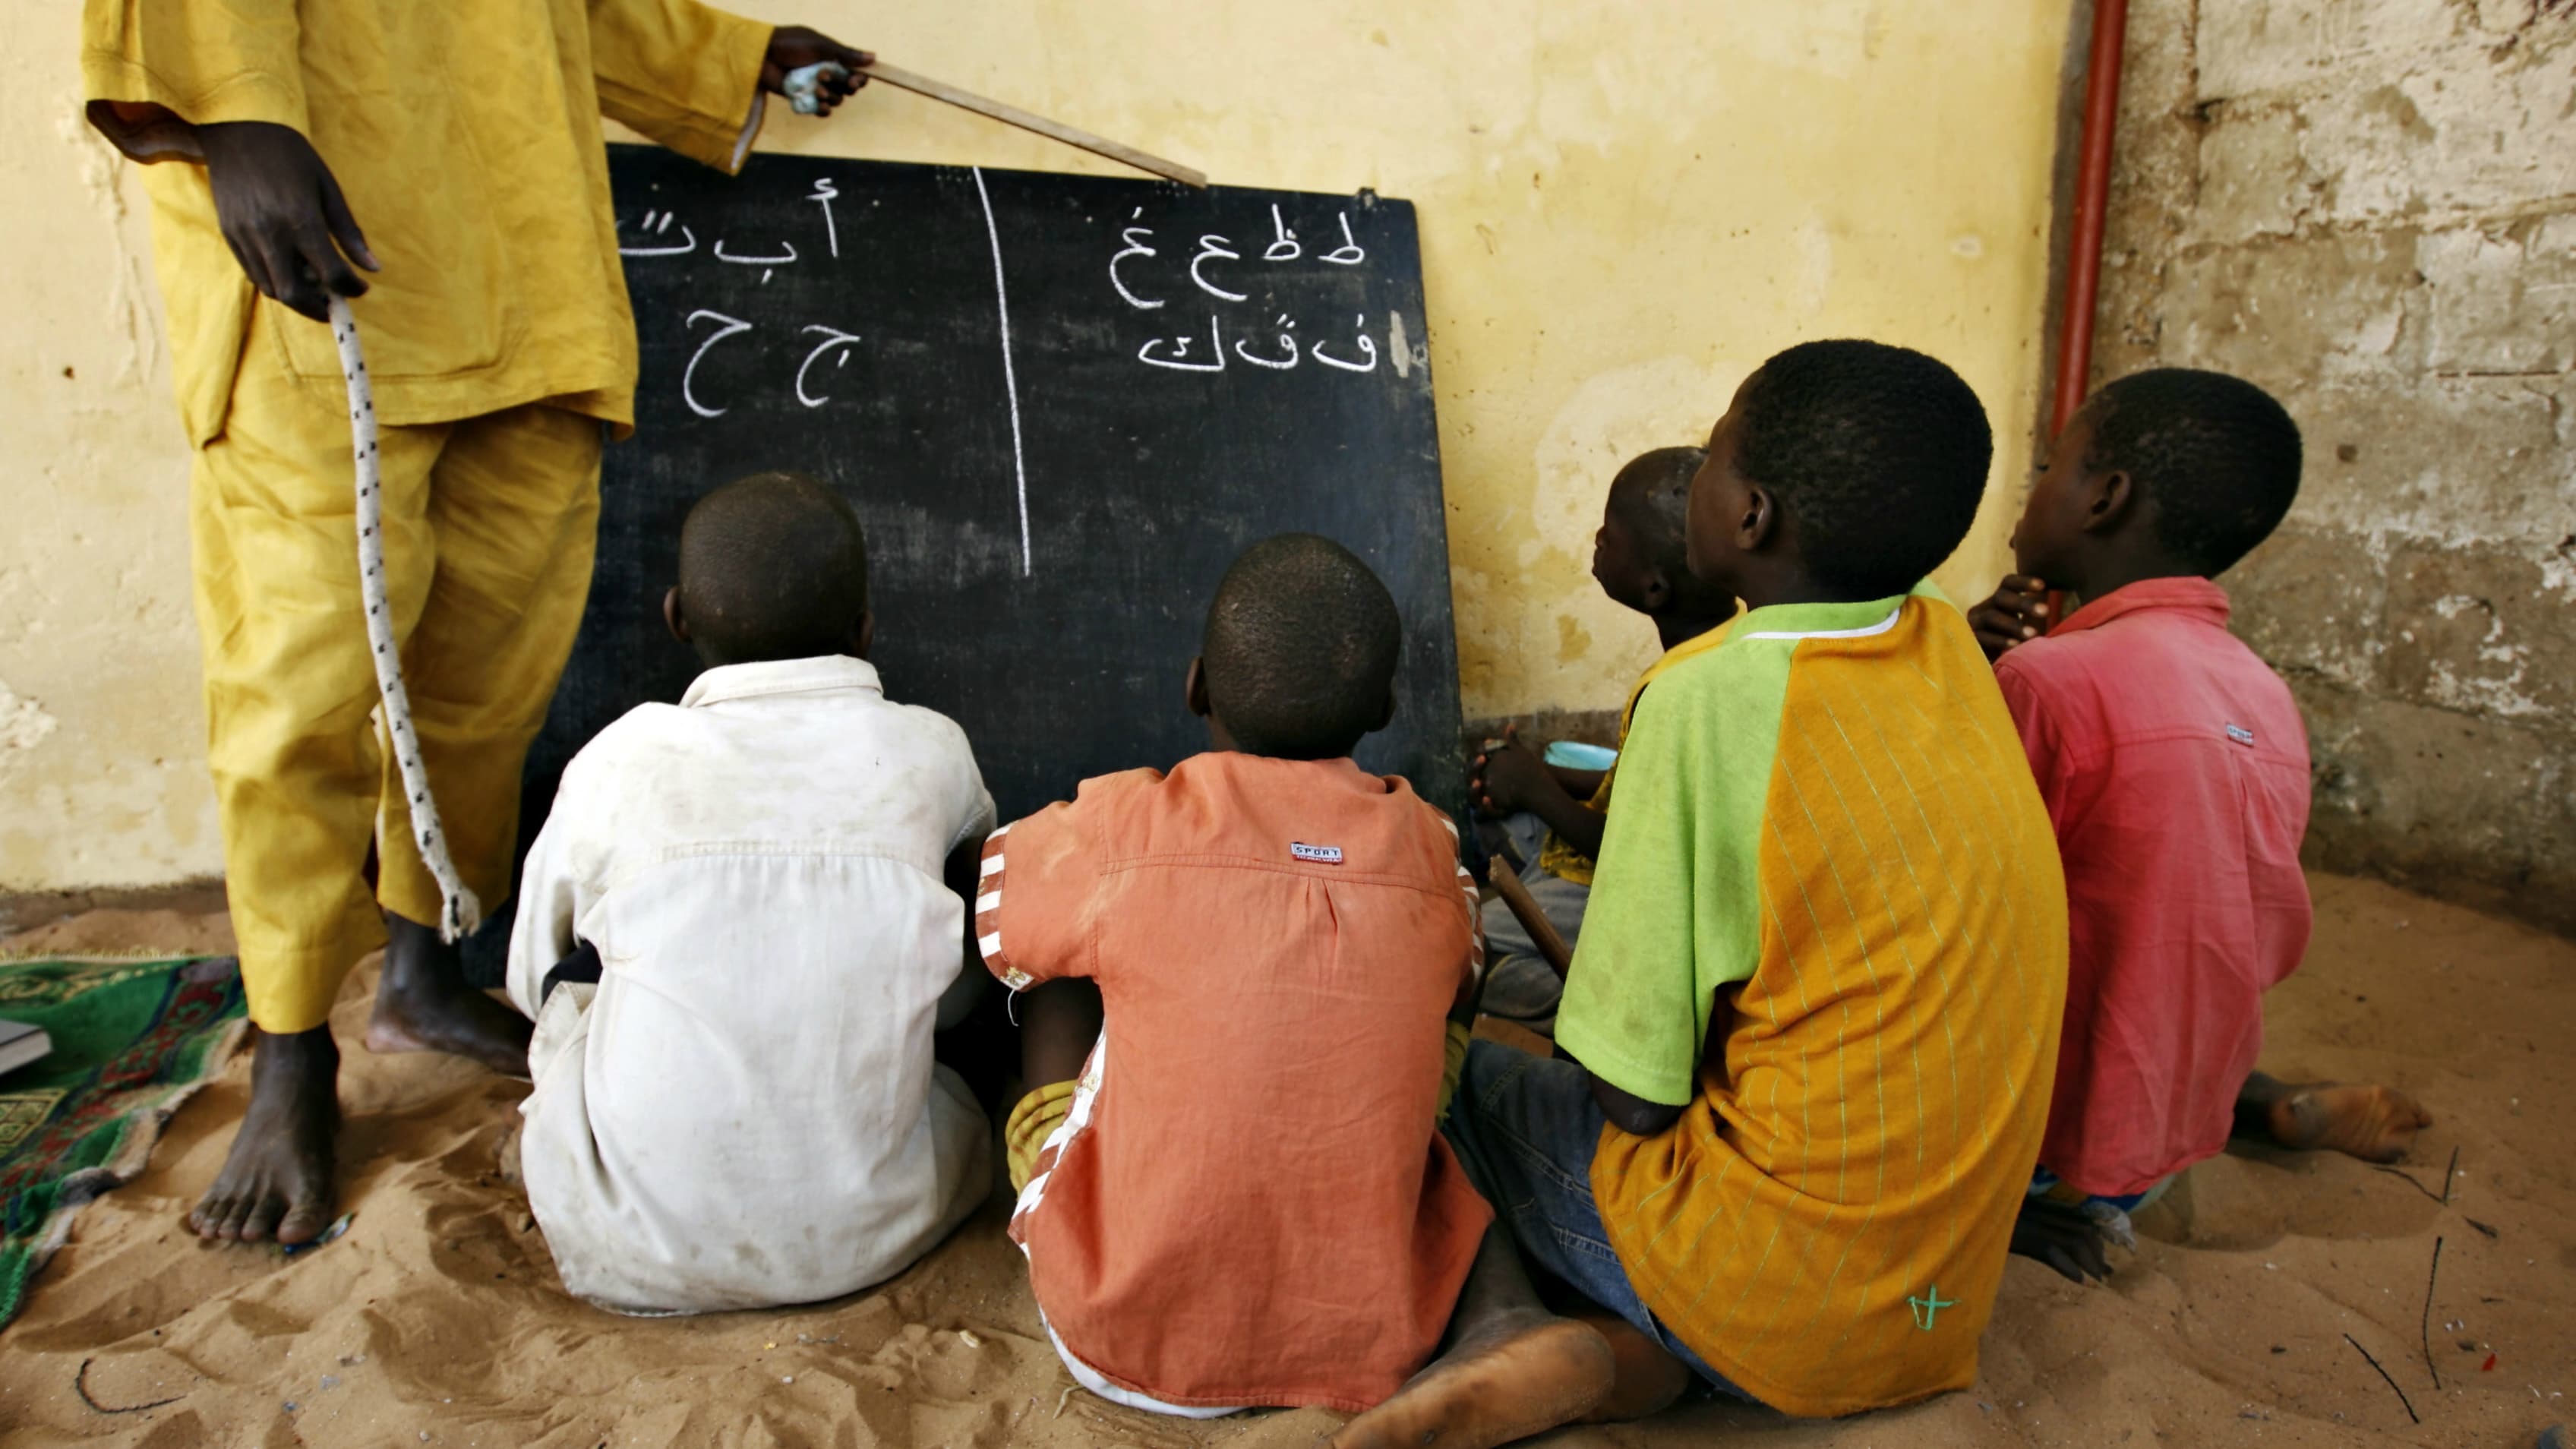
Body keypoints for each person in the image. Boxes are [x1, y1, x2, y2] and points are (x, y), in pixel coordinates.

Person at [79, 0, 873, 1244]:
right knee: (301, 688)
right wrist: (232, 124)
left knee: (489, 675)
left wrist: (732, 59)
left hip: (527, 270)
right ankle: (292, 1049)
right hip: (323, 252)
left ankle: (420, 969)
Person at [1336, 340, 2071, 1449]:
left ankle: (1511, 1322)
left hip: (1767, 1284)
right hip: (1934, 1305)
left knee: (1434, 1071)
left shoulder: (1701, 700)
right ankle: (1628, 1361)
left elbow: (1633, 1096)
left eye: (1716, 452)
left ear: (1751, 518)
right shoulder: (1942, 646)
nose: (1703, 473)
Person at [976, 534, 1499, 1415]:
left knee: (1053, 972)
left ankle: (1053, 1160)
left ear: (1194, 688)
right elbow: (1470, 972)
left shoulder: (1126, 825)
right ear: (1383, 708)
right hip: (1375, 1337)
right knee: (1435, 991)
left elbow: (1001, 919)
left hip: (1122, 1333)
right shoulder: (1427, 844)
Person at [1966, 368, 2432, 1282]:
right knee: (2152, 965)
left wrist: (1965, 688)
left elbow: (1959, 909)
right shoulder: (2256, 688)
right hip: (2174, 1125)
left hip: (2045, 1163)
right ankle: (2258, 1108)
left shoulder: (2044, 683)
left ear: (2103, 498)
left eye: (2050, 467)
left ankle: (2003, 1207)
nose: (2031, 492)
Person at [500, 472, 992, 1314]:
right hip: (880, 1228)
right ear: (864, 632)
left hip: (627, 1244)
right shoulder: (931, 752)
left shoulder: (619, 761)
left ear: (675, 619)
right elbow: (971, 969)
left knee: (579, 1001)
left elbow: (529, 974)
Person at [1466, 446, 1738, 1033]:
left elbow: (1637, 849)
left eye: (1610, 535)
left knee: (1467, 945)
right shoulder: (1723, 646)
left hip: (1622, 886)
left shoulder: (1681, 690)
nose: (1596, 537)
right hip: (1605, 851)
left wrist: (1538, 790)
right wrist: (1542, 774)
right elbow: (1642, 785)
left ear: (1654, 587)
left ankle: (1589, 1002)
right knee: (1494, 817)